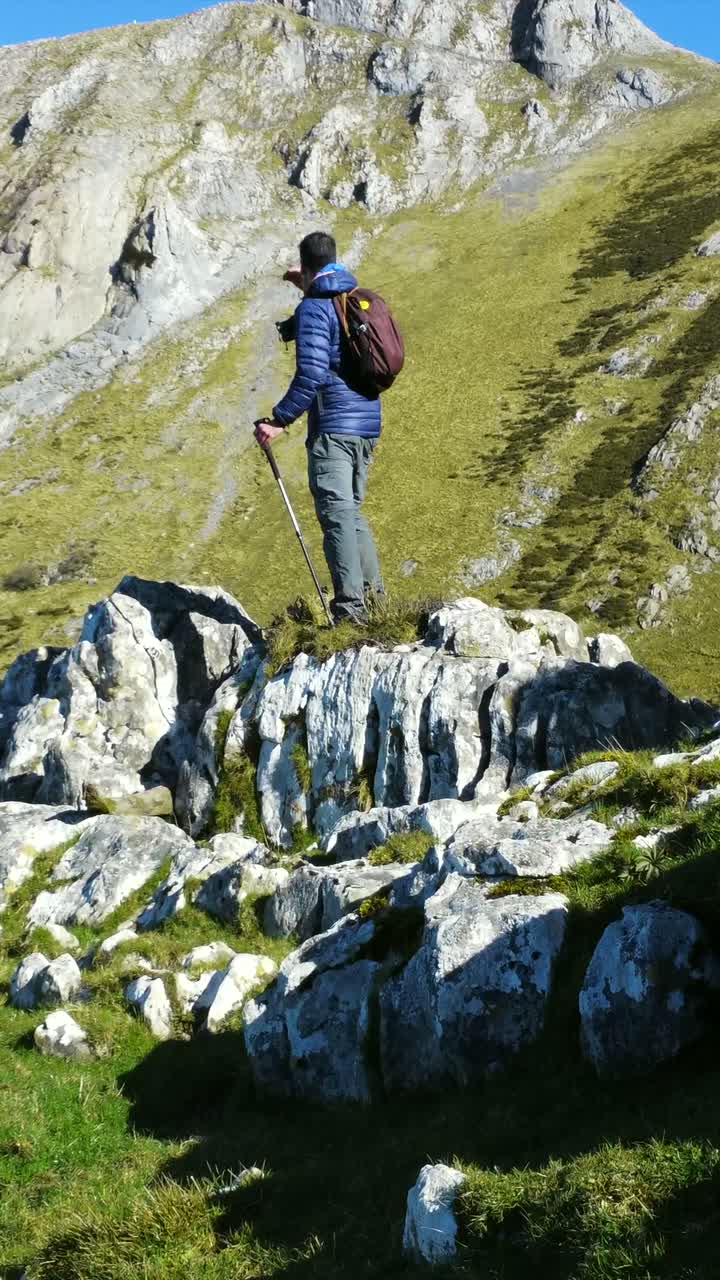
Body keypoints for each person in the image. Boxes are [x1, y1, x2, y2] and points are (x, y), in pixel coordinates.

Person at [254, 231, 383, 625]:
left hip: (334, 428)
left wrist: (278, 420)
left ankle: (351, 611)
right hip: (365, 425)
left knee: (336, 515)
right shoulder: (349, 296)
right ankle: (375, 603)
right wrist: (305, 285)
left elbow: (311, 372)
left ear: (306, 267)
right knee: (351, 514)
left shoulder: (315, 306)